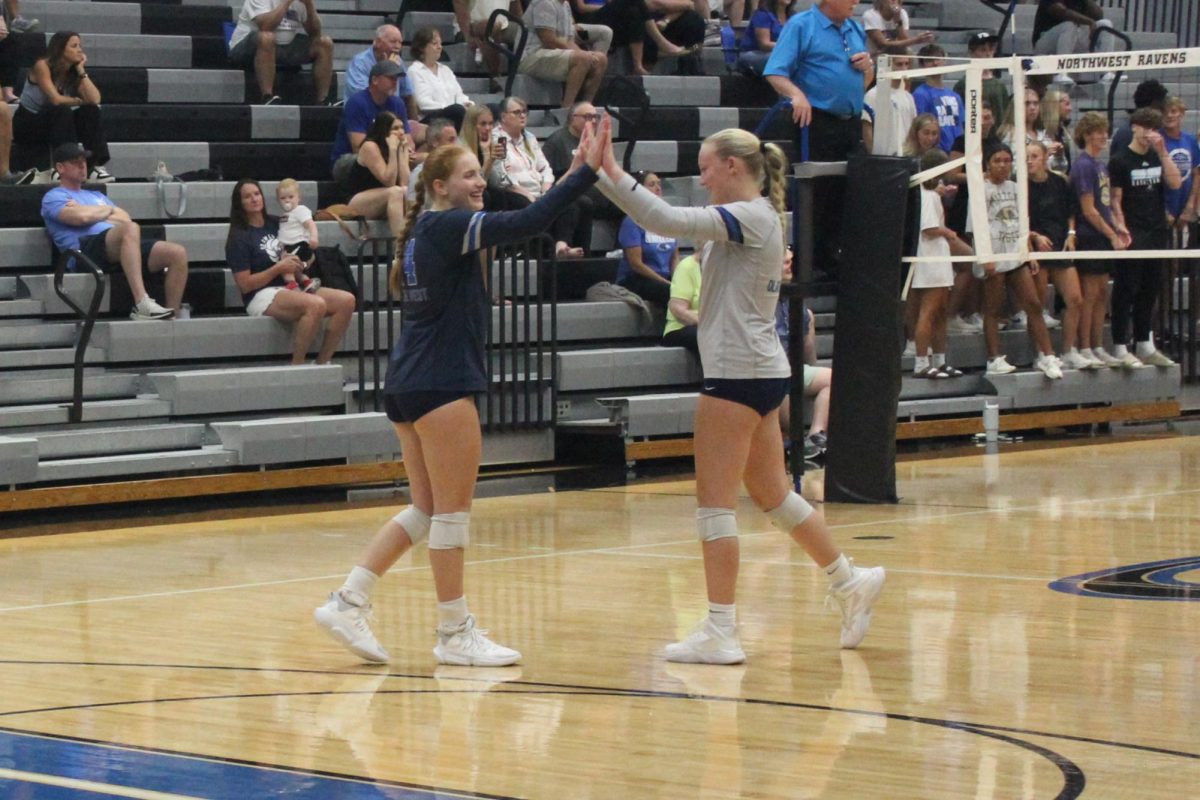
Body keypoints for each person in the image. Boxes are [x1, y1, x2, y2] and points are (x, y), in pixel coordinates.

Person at [311, 114, 610, 667]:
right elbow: (535, 219)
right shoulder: (448, 227)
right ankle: (454, 633)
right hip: (441, 384)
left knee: (426, 510)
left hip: (409, 383)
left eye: (481, 173)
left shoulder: (427, 231)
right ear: (440, 186)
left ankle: (348, 600)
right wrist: (586, 172)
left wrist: (569, 171)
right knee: (451, 514)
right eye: (469, 175)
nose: (479, 183)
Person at [594, 119, 886, 662]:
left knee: (714, 505)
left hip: (737, 372)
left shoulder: (748, 215)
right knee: (774, 496)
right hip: (760, 367)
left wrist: (608, 170)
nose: (701, 179)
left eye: (705, 168)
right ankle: (849, 579)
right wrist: (604, 175)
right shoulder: (754, 219)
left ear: (732, 166)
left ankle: (722, 629)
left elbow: (664, 217)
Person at [764, 0, 873, 275]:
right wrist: (797, 95)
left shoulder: (855, 29)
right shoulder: (802, 25)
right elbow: (775, 71)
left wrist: (868, 67)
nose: (856, 2)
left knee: (844, 191)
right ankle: (804, 258)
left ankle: (830, 255)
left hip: (850, 122)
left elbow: (865, 82)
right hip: (816, 120)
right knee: (817, 191)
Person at [41, 144, 186, 320]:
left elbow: (125, 218)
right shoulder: (54, 196)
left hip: (115, 243)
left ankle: (173, 316)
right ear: (60, 168)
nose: (82, 166)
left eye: (84, 162)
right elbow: (80, 219)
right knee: (130, 230)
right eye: (75, 162)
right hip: (83, 250)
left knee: (176, 253)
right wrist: (105, 212)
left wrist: (87, 210)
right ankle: (142, 302)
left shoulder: (97, 196)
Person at [226, 178, 356, 364]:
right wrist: (278, 268)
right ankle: (297, 367)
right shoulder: (238, 237)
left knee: (347, 301)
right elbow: (245, 285)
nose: (254, 199)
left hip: (292, 283)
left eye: (257, 194)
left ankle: (322, 363)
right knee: (316, 304)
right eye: (247, 197)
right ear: (239, 203)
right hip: (261, 294)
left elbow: (302, 247)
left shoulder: (277, 222)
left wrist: (302, 261)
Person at [971, 143, 1062, 379]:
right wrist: (986, 257)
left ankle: (1047, 355)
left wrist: (1028, 250)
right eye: (997, 160)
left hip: (1015, 253)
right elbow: (975, 228)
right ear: (988, 164)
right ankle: (994, 359)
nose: (1002, 165)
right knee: (993, 309)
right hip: (994, 254)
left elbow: (1023, 223)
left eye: (1006, 160)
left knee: (1033, 304)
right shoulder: (981, 189)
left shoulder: (1015, 187)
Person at [1108, 107, 1181, 368]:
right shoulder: (1119, 161)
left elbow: (1175, 184)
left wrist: (1162, 152)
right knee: (1126, 288)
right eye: (1145, 128)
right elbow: (1115, 199)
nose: (1149, 133)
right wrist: (1121, 227)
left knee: (1152, 286)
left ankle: (1144, 342)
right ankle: (1119, 345)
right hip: (1133, 231)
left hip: (1156, 230)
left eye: (1153, 129)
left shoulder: (1156, 155)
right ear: (1134, 127)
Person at [488, 96, 587, 257]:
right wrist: (528, 194)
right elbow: (499, 177)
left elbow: (545, 167)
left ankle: (561, 246)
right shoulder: (496, 139)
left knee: (574, 201)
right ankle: (545, 252)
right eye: (517, 112)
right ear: (503, 116)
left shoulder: (529, 137)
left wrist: (546, 188)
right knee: (529, 203)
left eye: (525, 112)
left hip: (539, 189)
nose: (522, 116)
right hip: (515, 191)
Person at [12, 31, 112, 182]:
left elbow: (95, 99)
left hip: (55, 121)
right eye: (74, 46)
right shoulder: (42, 65)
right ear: (60, 49)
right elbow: (55, 99)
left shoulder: (72, 72)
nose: (80, 50)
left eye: (80, 46)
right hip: (28, 123)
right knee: (61, 110)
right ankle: (64, 166)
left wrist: (81, 70)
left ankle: (93, 167)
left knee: (90, 111)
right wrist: (78, 101)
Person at [1070, 111, 1128, 368]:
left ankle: (1097, 345)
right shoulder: (1083, 165)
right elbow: (1089, 210)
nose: (1104, 136)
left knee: (1102, 293)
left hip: (1103, 236)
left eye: (1105, 131)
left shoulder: (1100, 165)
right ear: (1085, 135)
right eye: (1098, 131)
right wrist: (1110, 234)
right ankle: (1084, 346)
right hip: (1089, 236)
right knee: (1090, 294)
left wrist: (1119, 228)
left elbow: (1105, 206)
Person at [1026, 141, 1089, 368]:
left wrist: (1071, 233)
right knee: (1037, 306)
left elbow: (1070, 212)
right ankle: (1042, 354)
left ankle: (1068, 350)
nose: (1029, 161)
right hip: (1037, 249)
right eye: (1026, 157)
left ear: (1044, 158)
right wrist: (1034, 236)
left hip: (1060, 245)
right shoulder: (1021, 186)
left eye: (1034, 156)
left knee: (1075, 299)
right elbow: (1018, 220)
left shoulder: (1059, 182)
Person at [911, 149, 966, 379]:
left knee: (941, 312)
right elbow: (929, 228)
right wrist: (950, 233)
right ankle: (921, 362)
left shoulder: (931, 193)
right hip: (930, 258)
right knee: (929, 311)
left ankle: (941, 361)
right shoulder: (926, 195)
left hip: (939, 258)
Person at [775, 247, 833, 459]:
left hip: (792, 368)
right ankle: (795, 440)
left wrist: (809, 328)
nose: (790, 259)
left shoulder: (797, 304)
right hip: (769, 371)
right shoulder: (761, 302)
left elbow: (809, 355)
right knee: (777, 386)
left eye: (790, 258)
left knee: (830, 378)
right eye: (783, 260)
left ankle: (816, 437)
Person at [227, 0, 333, 106]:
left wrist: (309, 5)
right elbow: (265, 26)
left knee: (324, 43)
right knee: (267, 38)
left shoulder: (300, 3)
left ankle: (323, 100)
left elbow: (315, 32)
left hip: (282, 46)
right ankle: (267, 96)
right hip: (245, 46)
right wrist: (286, 2)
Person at [330, 60, 418, 184]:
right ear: (375, 80)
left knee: (426, 159)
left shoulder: (398, 103)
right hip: (349, 160)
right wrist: (393, 148)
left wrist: (407, 150)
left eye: (396, 79)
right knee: (373, 152)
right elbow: (358, 146)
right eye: (390, 78)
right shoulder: (357, 103)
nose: (395, 82)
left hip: (387, 154)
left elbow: (408, 140)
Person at [520, 0, 608, 109]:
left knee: (601, 59)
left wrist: (586, 54)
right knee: (582, 58)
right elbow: (548, 39)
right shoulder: (544, 3)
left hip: (553, 53)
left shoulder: (565, 5)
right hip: (531, 56)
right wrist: (583, 55)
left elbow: (569, 41)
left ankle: (586, 107)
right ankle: (566, 108)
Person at [616, 172, 679, 306]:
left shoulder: (669, 219)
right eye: (652, 185)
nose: (658, 188)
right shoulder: (632, 221)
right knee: (672, 293)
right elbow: (636, 264)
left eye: (659, 184)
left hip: (663, 278)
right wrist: (666, 283)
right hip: (637, 279)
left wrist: (678, 280)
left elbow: (674, 258)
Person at [345, 111, 410, 238]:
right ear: (384, 130)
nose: (401, 132)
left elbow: (405, 183)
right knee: (396, 191)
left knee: (407, 191)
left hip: (385, 198)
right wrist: (392, 150)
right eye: (395, 128)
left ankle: (414, 242)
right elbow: (389, 181)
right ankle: (401, 248)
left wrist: (402, 153)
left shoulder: (399, 147)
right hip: (358, 201)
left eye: (402, 127)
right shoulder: (370, 146)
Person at [1032, 0, 1115, 84]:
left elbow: (1099, 15)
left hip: (1071, 38)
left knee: (1105, 24)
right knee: (1069, 25)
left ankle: (1105, 72)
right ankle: (1061, 73)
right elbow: (1061, 12)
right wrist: (1089, 22)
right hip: (1045, 41)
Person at [407, 27, 471, 130]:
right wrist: (450, 107)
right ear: (421, 47)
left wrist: (468, 104)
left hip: (453, 112)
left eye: (440, 44)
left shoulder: (445, 70)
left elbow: (459, 94)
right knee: (457, 110)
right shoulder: (414, 71)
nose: (439, 47)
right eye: (434, 43)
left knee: (487, 110)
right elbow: (423, 103)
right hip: (430, 118)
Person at [862, 48, 915, 156]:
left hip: (906, 157)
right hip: (884, 158)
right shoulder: (872, 95)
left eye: (906, 64)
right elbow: (867, 129)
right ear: (888, 66)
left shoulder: (909, 97)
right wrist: (875, 157)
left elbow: (913, 129)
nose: (904, 68)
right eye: (899, 64)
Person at [911, 44, 962, 154]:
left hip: (956, 151)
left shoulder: (955, 96)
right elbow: (920, 127)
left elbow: (961, 124)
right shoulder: (920, 94)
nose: (935, 63)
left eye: (938, 59)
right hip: (935, 152)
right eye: (930, 60)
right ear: (922, 65)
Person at [1162, 96, 1200, 244]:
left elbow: (1196, 173)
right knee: (1166, 259)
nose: (1169, 115)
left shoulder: (1189, 140)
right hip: (1165, 209)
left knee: (1185, 256)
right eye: (1166, 112)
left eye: (1173, 111)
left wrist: (1190, 206)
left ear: (1182, 114)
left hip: (1185, 207)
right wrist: (1164, 211)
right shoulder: (1158, 139)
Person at [952, 31, 1008, 131]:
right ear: (971, 53)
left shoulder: (1000, 85)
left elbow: (1005, 116)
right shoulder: (963, 85)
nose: (988, 54)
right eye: (982, 50)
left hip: (997, 139)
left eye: (991, 49)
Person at [275, 178, 320, 292]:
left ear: (298, 197)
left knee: (286, 267)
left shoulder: (301, 210)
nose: (287, 201)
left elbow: (311, 224)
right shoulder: (285, 215)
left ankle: (292, 286)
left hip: (299, 244)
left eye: (291, 197)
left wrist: (314, 237)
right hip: (288, 246)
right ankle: (307, 282)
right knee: (296, 271)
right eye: (283, 198)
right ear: (278, 200)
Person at [662, 244, 703, 360]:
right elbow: (678, 310)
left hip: (713, 327)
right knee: (712, 338)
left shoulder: (725, 271)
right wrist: (709, 324)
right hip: (681, 327)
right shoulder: (686, 267)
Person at [737, 0, 789, 77]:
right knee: (783, 58)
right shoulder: (763, 14)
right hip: (755, 53)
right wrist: (788, 47)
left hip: (779, 52)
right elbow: (765, 44)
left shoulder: (793, 16)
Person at [862, 0, 933, 56]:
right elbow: (883, 44)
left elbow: (904, 40)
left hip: (896, 52)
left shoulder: (902, 13)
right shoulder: (871, 15)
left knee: (909, 52)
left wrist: (898, 21)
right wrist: (915, 40)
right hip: (875, 53)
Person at [1040, 86, 1073, 173]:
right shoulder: (1041, 134)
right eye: (1067, 104)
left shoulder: (1063, 132)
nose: (1070, 109)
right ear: (1054, 105)